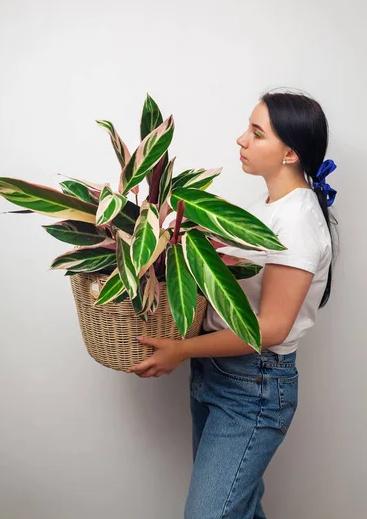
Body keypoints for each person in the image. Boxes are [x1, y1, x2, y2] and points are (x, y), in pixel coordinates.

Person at [127, 90, 338, 519]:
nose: (241, 140)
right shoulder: (266, 207)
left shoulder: (295, 221)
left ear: (290, 153)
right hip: (220, 375)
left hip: (254, 387)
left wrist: (181, 349)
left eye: (257, 134)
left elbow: (272, 328)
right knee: (237, 509)